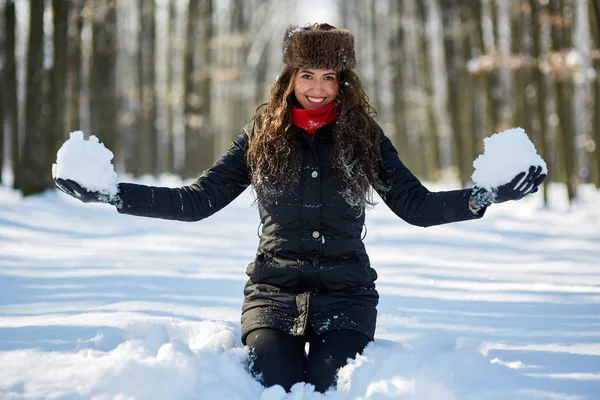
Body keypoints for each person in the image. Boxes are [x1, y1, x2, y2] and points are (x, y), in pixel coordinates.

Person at [54, 23, 547, 393]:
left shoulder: (364, 138)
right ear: (289, 79)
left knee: (332, 382)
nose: (317, 87)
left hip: (347, 296)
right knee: (277, 381)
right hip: (272, 293)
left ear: (343, 82)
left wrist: (484, 196)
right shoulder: (261, 137)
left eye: (328, 77)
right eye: (306, 74)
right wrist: (113, 193)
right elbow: (196, 201)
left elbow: (416, 206)